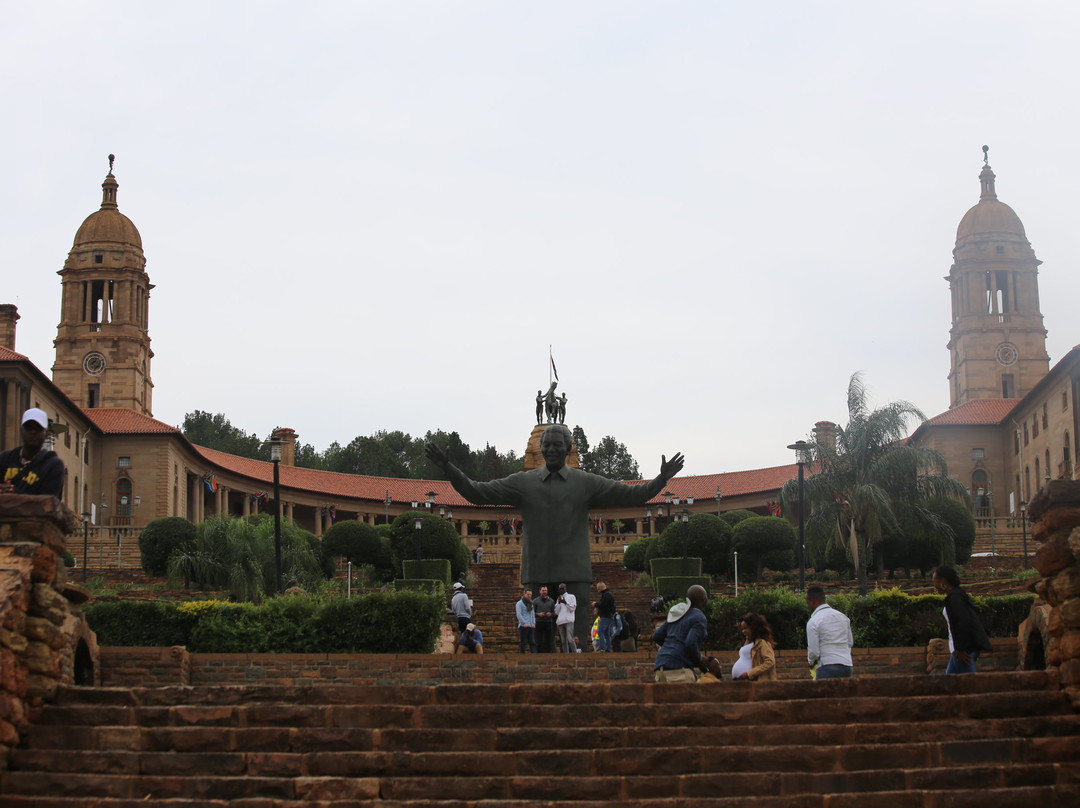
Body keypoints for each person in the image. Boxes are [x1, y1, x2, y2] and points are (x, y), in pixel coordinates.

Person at [425, 423, 683, 645]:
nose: (550, 449)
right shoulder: (523, 482)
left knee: (578, 639)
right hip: (537, 573)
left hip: (576, 573)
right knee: (539, 641)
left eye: (557, 444)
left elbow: (633, 495)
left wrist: (661, 479)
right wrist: (449, 469)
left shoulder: (585, 482)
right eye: (546, 445)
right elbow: (476, 492)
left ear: (569, 447)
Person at [934, 565, 993, 674]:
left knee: (970, 684)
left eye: (935, 581)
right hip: (958, 649)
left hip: (963, 650)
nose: (934, 585)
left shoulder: (955, 597)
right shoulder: (956, 595)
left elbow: (963, 621)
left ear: (942, 581)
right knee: (949, 683)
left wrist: (961, 649)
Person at [652, 585, 714, 682]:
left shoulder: (679, 614)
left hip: (660, 667)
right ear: (703, 599)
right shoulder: (699, 617)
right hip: (679, 670)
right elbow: (690, 643)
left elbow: (657, 636)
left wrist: (671, 648)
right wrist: (699, 660)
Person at [0, 408, 65, 498]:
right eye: (28, 428)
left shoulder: (53, 465)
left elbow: (48, 503)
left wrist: (15, 494)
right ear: (21, 431)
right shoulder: (4, 458)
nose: (33, 432)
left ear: (46, 434)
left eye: (38, 428)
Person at [806, 586, 854, 679]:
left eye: (807, 602)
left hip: (827, 665)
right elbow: (850, 642)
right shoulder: (843, 617)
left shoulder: (813, 621)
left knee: (825, 694)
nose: (808, 605)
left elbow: (814, 651)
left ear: (813, 601)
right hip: (847, 665)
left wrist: (811, 663)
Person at [732, 612, 777, 682]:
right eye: (742, 629)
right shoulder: (748, 642)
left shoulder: (762, 643)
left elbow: (770, 662)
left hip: (757, 683)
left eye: (745, 628)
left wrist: (749, 674)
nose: (743, 631)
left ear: (754, 627)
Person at [593, 581, 616, 652]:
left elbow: (603, 605)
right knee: (606, 633)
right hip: (608, 616)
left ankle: (602, 647)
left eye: (598, 589)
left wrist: (596, 604)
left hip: (606, 616)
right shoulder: (607, 594)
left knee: (600, 631)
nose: (598, 590)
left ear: (601, 587)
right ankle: (608, 648)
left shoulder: (607, 595)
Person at [533, 585, 557, 653]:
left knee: (549, 639)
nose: (544, 592)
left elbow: (554, 613)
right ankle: (538, 653)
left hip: (548, 622)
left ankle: (548, 654)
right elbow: (532, 613)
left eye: (545, 590)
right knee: (538, 639)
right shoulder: (535, 601)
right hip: (539, 622)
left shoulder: (551, 601)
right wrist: (538, 614)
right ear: (540, 591)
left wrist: (551, 614)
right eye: (543, 590)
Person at [555, 583, 577, 653]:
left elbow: (572, 608)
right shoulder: (558, 598)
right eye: (560, 589)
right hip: (561, 621)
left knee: (570, 639)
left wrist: (565, 603)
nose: (561, 590)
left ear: (565, 588)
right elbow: (556, 612)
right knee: (563, 641)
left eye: (562, 588)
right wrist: (558, 603)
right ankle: (566, 655)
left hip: (569, 621)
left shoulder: (571, 596)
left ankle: (575, 654)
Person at [516, 587, 535, 653]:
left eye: (530, 594)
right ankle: (522, 655)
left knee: (532, 642)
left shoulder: (531, 603)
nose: (529, 596)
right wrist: (524, 623)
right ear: (524, 594)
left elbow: (532, 614)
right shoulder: (519, 603)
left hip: (530, 625)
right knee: (523, 642)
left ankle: (533, 655)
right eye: (528, 594)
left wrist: (533, 623)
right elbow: (519, 614)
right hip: (524, 626)